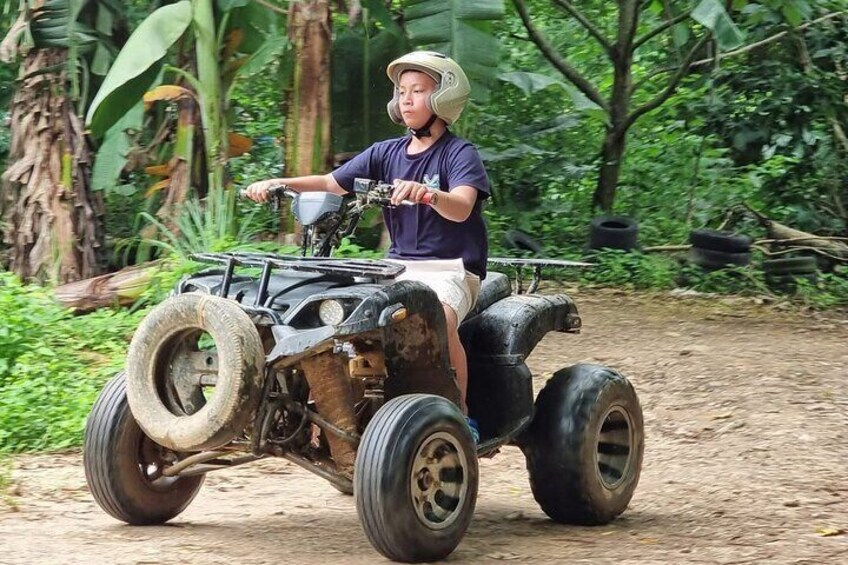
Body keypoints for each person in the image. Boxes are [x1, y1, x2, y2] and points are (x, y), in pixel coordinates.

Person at [244, 51, 490, 440]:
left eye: (419, 91)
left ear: (444, 98)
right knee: (346, 317)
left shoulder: (459, 154)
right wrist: (281, 183)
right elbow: (331, 182)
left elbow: (461, 207)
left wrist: (428, 194)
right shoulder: (385, 153)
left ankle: (460, 414)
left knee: (438, 318)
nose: (407, 99)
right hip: (396, 268)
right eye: (402, 91)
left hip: (450, 270)